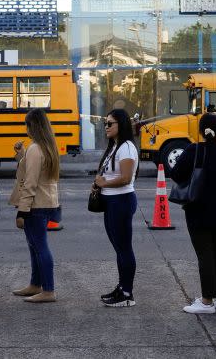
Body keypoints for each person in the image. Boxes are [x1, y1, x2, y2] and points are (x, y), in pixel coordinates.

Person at [169, 113, 216, 314]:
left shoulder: (193, 150)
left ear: (201, 130)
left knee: (204, 253)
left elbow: (177, 174)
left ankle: (205, 302)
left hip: (198, 210)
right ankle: (215, 297)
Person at [10, 108, 61, 303]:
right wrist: (21, 155)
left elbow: (30, 183)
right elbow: (35, 171)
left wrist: (21, 211)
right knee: (35, 246)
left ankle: (48, 290)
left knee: (39, 246)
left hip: (35, 205)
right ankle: (35, 284)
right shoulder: (48, 146)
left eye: (27, 124)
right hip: (47, 202)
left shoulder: (35, 148)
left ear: (33, 126)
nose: (26, 128)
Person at [94, 108, 139, 307]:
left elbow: (126, 178)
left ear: (121, 124)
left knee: (124, 248)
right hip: (111, 201)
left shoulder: (127, 148)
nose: (106, 127)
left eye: (110, 123)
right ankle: (122, 287)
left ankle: (127, 293)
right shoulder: (115, 146)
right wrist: (99, 182)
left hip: (121, 201)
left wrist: (104, 183)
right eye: (105, 123)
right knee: (119, 248)